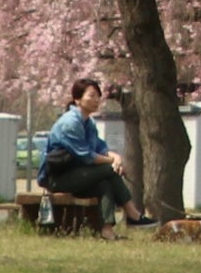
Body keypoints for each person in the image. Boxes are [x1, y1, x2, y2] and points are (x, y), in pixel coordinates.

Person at [39, 78, 147, 227]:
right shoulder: (70, 123)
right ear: (77, 99)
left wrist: (116, 157)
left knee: (104, 184)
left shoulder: (88, 122)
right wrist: (112, 163)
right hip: (58, 178)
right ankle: (132, 214)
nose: (96, 100)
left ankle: (107, 230)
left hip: (78, 175)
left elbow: (101, 148)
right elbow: (87, 156)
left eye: (98, 96)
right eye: (91, 96)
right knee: (109, 170)